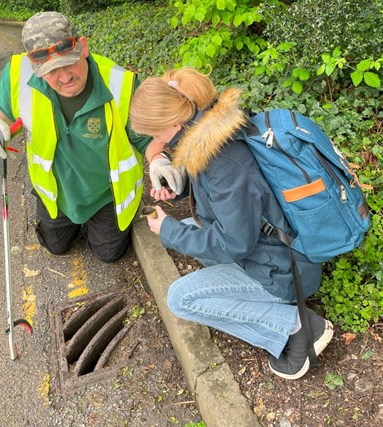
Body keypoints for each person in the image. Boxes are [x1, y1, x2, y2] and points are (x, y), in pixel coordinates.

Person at [129, 67, 334, 380]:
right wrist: (179, 188)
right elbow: (219, 196)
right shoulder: (210, 133)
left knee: (181, 298)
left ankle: (298, 328)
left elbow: (234, 243)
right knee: (190, 226)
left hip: (282, 268)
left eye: (155, 135)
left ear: (173, 122)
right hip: (272, 246)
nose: (156, 143)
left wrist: (168, 231)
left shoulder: (223, 161)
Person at [0, 11, 184, 263]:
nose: (65, 76)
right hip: (57, 194)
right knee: (55, 247)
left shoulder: (119, 83)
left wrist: (158, 160)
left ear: (84, 47)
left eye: (70, 62)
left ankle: (99, 222)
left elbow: (147, 137)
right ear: (35, 67)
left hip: (105, 195)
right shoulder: (18, 74)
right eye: (52, 70)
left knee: (107, 254)